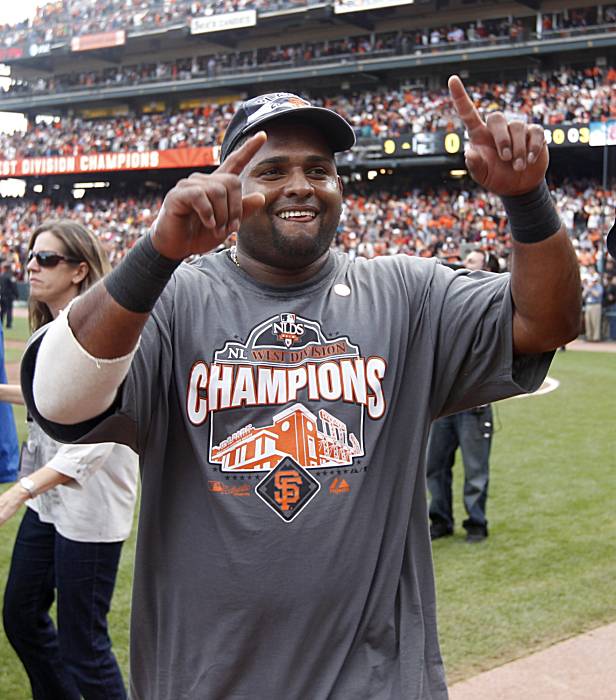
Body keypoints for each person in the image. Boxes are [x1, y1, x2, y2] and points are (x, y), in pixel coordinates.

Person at [21, 81, 580, 699]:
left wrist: (527, 198)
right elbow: (59, 401)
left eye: (320, 169)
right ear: (231, 189)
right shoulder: (176, 299)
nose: (300, 185)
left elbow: (545, 322)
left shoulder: (408, 294)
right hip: (205, 680)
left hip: (376, 683)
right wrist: (157, 254)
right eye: (272, 169)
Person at [0, 220, 138, 700]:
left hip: (89, 510)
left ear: (81, 270)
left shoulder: (102, 329)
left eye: (47, 259)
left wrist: (20, 491)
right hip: (50, 503)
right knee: (21, 615)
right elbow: (51, 401)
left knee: (85, 648)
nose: (32, 267)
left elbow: (95, 440)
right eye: (31, 256)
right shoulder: (56, 327)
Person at [426, 248, 499, 544]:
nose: (462, 264)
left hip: (475, 406)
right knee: (435, 466)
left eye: (471, 262)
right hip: (445, 404)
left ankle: (476, 523)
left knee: (475, 470)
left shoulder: (489, 306)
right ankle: (440, 520)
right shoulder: (448, 304)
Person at [0, 260, 19, 329]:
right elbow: (14, 287)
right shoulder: (10, 276)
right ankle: (8, 324)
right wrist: (17, 295)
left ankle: (1, 323)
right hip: (8, 296)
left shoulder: (1, 276)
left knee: (2, 310)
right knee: (9, 310)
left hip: (2, 296)